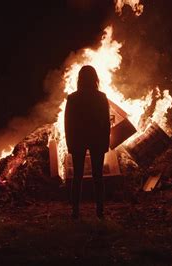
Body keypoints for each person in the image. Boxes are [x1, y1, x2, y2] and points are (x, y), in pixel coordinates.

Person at [64, 65, 111, 219]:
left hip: (78, 140)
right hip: (97, 139)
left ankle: (75, 211)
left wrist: (70, 143)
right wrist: (105, 141)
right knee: (98, 177)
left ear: (80, 79)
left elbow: (68, 123)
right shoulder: (101, 97)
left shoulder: (72, 98)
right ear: (95, 79)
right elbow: (106, 122)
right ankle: (100, 211)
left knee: (77, 176)